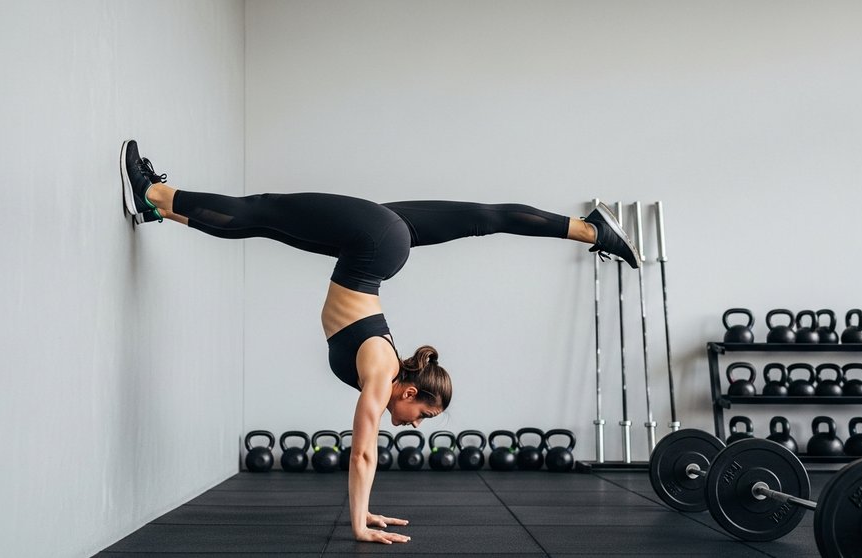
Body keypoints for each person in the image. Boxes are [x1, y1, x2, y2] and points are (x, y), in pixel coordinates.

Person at [118, 139, 639, 545]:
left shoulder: (386, 367)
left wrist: (363, 506)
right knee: (263, 209)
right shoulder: (378, 371)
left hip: (382, 238)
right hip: (375, 240)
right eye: (424, 417)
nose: (415, 427)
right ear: (412, 393)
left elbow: (367, 456)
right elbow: (363, 453)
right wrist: (358, 524)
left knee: (481, 218)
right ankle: (152, 192)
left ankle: (160, 209)